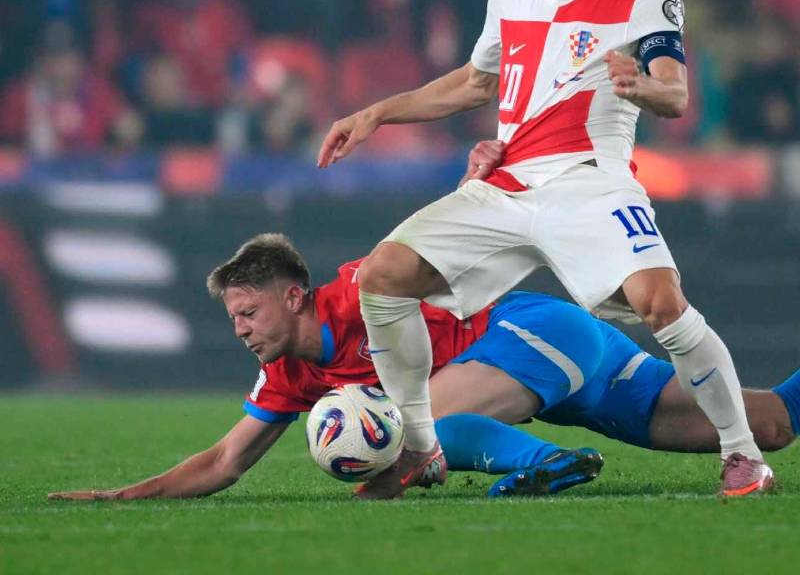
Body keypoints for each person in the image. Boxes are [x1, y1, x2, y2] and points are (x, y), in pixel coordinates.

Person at [316, 0, 773, 499]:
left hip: (589, 182)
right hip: (505, 183)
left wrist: (639, 85)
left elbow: (674, 91)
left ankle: (742, 454)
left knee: (661, 305)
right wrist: (378, 112)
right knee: (383, 277)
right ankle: (419, 448)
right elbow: (476, 83)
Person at [48, 234, 799, 502]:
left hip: (535, 332)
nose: (240, 330)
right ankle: (541, 453)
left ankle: (544, 465)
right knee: (767, 425)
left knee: (416, 425)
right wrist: (122, 494)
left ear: (294, 295)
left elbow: (466, 251)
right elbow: (223, 461)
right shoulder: (289, 377)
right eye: (232, 320)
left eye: (248, 313)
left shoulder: (365, 289)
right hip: (561, 373)